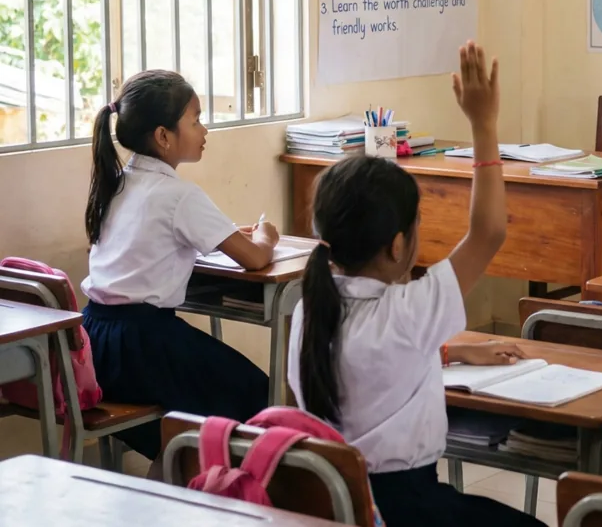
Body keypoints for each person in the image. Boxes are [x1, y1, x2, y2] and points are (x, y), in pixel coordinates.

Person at [288, 42, 540, 527]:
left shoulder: (309, 309)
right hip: (403, 505)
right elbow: (488, 232)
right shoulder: (407, 311)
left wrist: (453, 353)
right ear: (399, 244)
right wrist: (484, 126)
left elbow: (373, 364)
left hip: (329, 502)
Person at [81, 69, 279, 467]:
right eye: (196, 119)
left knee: (209, 405)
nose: (205, 129)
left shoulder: (116, 182)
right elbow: (255, 259)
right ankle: (211, 488)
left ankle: (179, 477)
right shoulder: (179, 194)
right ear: (163, 136)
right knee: (260, 396)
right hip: (144, 347)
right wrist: (266, 237)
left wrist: (225, 233)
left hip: (97, 342)